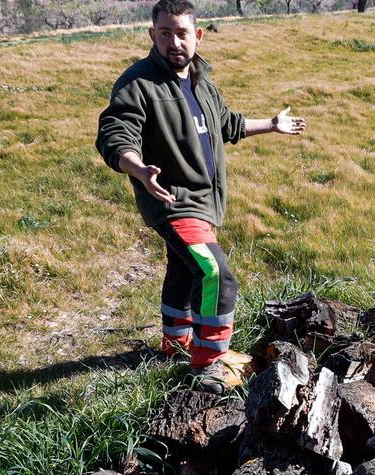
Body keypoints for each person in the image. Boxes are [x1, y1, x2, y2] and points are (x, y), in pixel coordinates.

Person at [96, 0, 306, 393]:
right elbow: (115, 132)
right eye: (165, 33)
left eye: (181, 33)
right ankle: (209, 365)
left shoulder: (201, 82)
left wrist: (272, 125)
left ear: (198, 35)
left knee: (183, 270)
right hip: (174, 202)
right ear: (152, 35)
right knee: (216, 274)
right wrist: (137, 169)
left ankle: (176, 345)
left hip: (205, 203)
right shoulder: (138, 83)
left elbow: (227, 124)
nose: (174, 41)